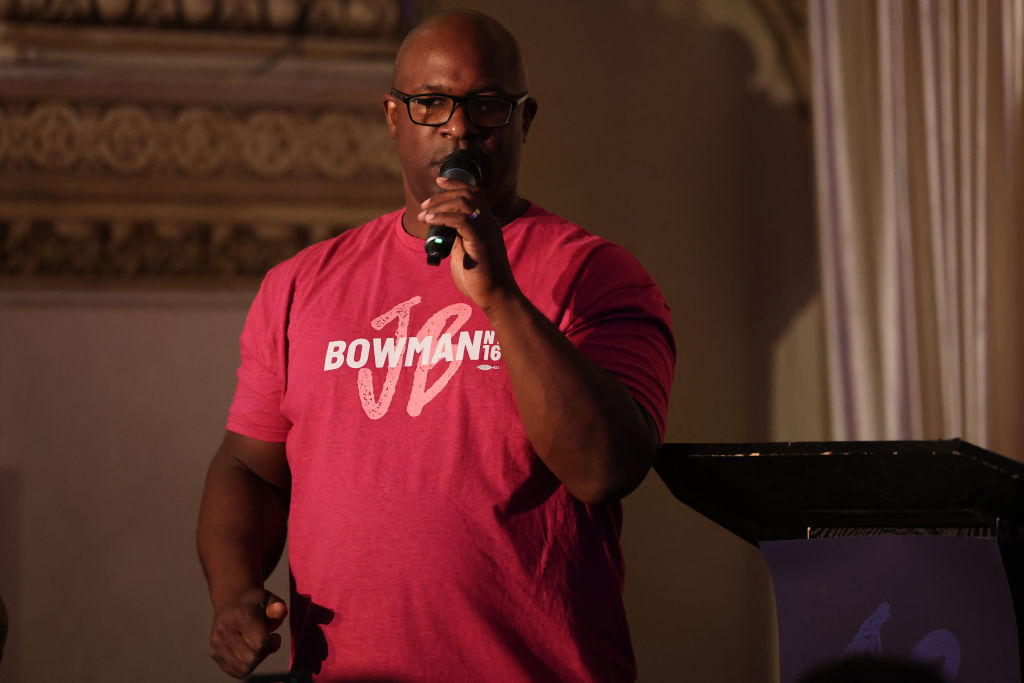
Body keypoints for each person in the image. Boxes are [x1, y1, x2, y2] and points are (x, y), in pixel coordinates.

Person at [197, 9, 675, 682]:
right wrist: (233, 592)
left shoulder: (594, 274)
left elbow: (605, 467)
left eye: (486, 104)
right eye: (431, 103)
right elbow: (248, 467)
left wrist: (501, 298)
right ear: (394, 117)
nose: (458, 126)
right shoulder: (301, 284)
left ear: (523, 119)